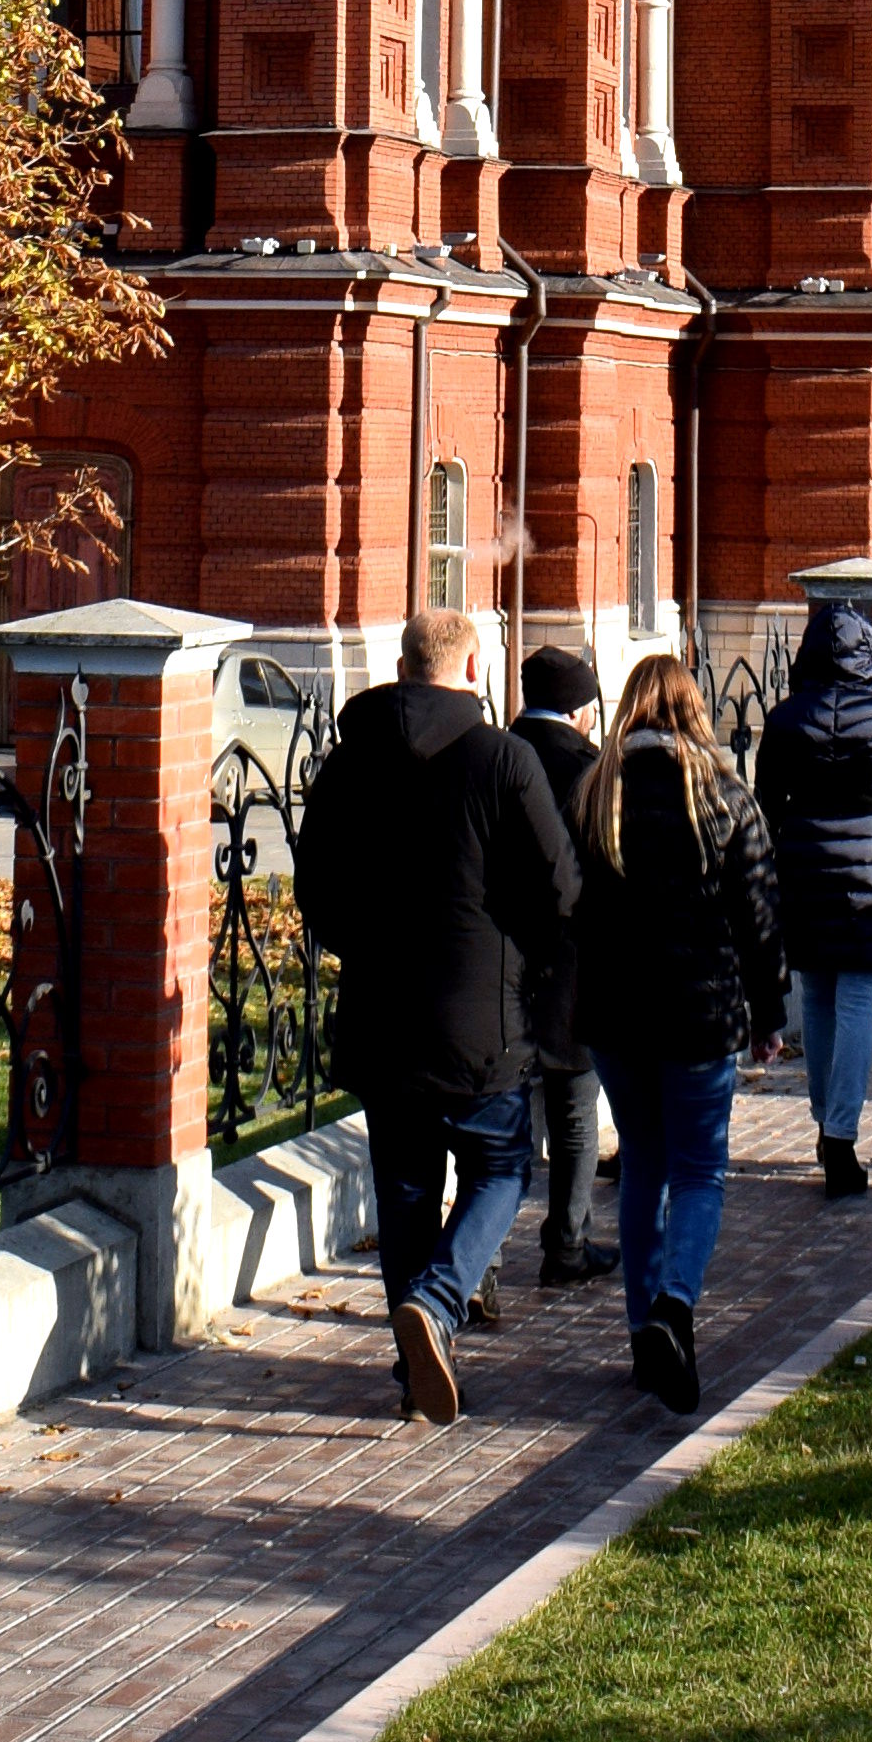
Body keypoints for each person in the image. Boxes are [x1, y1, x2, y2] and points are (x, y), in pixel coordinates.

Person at [294, 607, 578, 1423]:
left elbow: (317, 884)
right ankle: (442, 1302)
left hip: (383, 1011)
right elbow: (559, 888)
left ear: (403, 664)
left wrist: (363, 944)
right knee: (499, 1167)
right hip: (480, 1014)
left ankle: (414, 1357)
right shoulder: (504, 759)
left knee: (407, 1188)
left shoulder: (349, 764)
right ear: (474, 666)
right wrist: (522, 952)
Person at [571, 656, 787, 1416]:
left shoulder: (596, 797)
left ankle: (641, 1332)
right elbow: (760, 915)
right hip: (699, 1010)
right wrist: (769, 1015)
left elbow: (572, 910)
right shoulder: (724, 797)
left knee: (643, 1167)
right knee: (700, 1171)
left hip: (615, 1016)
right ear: (695, 714)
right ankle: (675, 1305)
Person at [755, 594, 872, 1196]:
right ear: (868, 656)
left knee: (819, 1001)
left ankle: (827, 1123)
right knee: (856, 1005)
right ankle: (842, 1135)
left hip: (803, 870)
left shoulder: (783, 719)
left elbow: (766, 809)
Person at [510, 646, 613, 1285]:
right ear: (578, 710)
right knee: (575, 1109)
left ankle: (486, 1261)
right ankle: (567, 1245)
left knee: (504, 1120)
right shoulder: (590, 769)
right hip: (575, 961)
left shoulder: (496, 754)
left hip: (502, 959)